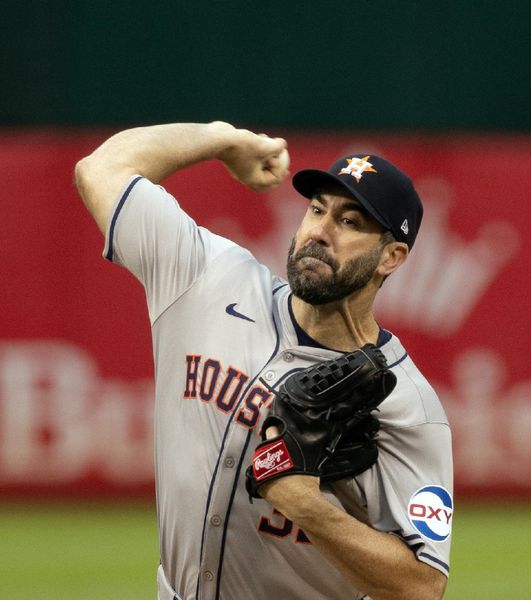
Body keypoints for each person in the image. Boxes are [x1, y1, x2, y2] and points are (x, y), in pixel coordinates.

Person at [74, 121, 453, 600]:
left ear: (391, 257)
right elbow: (101, 169)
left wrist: (306, 505)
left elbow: (422, 588)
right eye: (317, 209)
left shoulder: (407, 405)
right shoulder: (208, 279)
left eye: (350, 222)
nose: (320, 231)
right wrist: (222, 139)